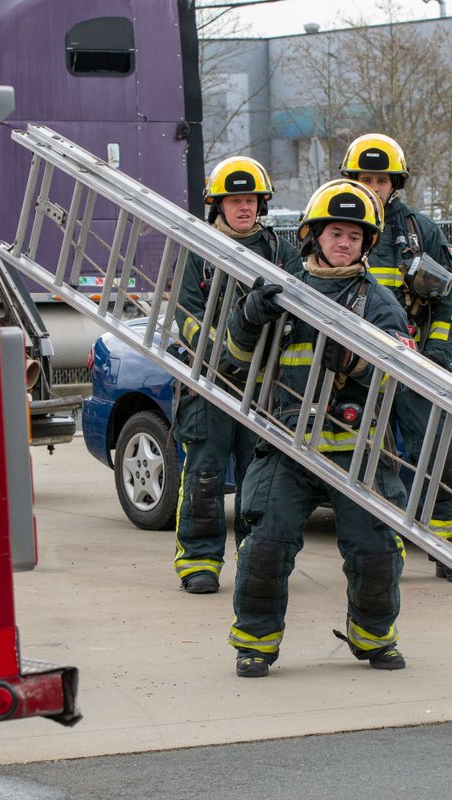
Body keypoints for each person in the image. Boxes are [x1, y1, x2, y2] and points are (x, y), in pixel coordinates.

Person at [221, 179, 412, 678]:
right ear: (313, 236)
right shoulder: (280, 292)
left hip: (359, 449)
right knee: (265, 546)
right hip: (288, 445)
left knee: (375, 551)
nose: (344, 242)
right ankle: (255, 643)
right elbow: (236, 359)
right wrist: (247, 317)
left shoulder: (381, 304)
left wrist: (357, 361)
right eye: (334, 233)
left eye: (354, 235)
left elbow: (404, 378)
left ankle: (374, 638)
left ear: (367, 243)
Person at [341, 133, 452, 581]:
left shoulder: (419, 231)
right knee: (360, 452)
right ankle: (378, 544)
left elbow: (449, 299)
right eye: (364, 179)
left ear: (395, 183)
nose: (373, 187)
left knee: (434, 446)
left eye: (381, 179)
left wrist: (435, 355)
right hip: (351, 369)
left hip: (412, 361)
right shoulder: (333, 224)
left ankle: (451, 545)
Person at [172, 156, 302, 594]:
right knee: (205, 475)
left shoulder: (280, 251)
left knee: (257, 475)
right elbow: (186, 314)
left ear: (261, 204)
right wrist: (220, 353)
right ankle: (198, 561)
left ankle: (254, 556)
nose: (243, 208)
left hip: (263, 386)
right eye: (235, 201)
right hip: (207, 382)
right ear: (217, 205)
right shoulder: (200, 251)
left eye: (250, 200)